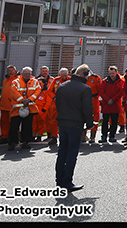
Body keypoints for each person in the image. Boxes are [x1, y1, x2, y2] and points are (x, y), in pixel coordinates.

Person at [54, 64, 93, 193]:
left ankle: (59, 180)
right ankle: (67, 181)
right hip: (76, 124)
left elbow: (58, 104)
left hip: (63, 122)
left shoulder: (62, 86)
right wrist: (90, 123)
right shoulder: (85, 89)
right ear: (84, 74)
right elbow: (87, 108)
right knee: (72, 153)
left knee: (62, 152)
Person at [8, 67, 42, 150]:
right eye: (26, 74)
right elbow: (13, 93)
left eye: (29, 74)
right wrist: (22, 100)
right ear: (22, 74)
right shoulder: (15, 82)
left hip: (30, 108)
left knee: (27, 127)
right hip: (17, 108)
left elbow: (37, 91)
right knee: (14, 126)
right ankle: (12, 142)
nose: (28, 75)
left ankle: (25, 142)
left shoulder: (35, 81)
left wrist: (30, 100)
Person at [44, 68, 70, 146]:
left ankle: (67, 136)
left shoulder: (71, 80)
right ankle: (54, 136)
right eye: (62, 76)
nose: (64, 77)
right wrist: (55, 97)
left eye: (65, 75)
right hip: (57, 104)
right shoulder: (56, 80)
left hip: (68, 104)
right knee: (54, 120)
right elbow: (50, 91)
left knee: (68, 120)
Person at [99, 66, 125, 143]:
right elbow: (101, 91)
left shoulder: (121, 82)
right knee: (105, 121)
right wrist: (107, 99)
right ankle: (104, 136)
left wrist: (113, 99)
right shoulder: (104, 81)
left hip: (115, 104)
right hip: (106, 105)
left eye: (113, 73)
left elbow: (121, 92)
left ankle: (112, 136)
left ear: (116, 72)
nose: (111, 75)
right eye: (110, 73)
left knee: (114, 122)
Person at [0, 65, 19, 144]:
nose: (10, 72)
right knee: (4, 122)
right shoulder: (5, 80)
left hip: (13, 105)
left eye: (12, 70)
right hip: (4, 105)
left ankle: (14, 138)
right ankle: (4, 137)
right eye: (9, 71)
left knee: (13, 123)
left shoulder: (17, 79)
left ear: (15, 71)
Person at [84, 68, 103, 144]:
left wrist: (99, 98)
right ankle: (83, 136)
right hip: (83, 99)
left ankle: (92, 136)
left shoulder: (95, 78)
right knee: (83, 116)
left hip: (94, 99)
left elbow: (100, 89)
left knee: (95, 116)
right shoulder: (80, 77)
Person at [33, 66, 51, 142]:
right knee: (33, 123)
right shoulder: (35, 92)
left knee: (41, 123)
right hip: (34, 110)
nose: (39, 85)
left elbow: (48, 102)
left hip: (42, 111)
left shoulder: (46, 92)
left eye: (40, 83)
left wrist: (44, 109)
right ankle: (32, 136)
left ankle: (39, 136)